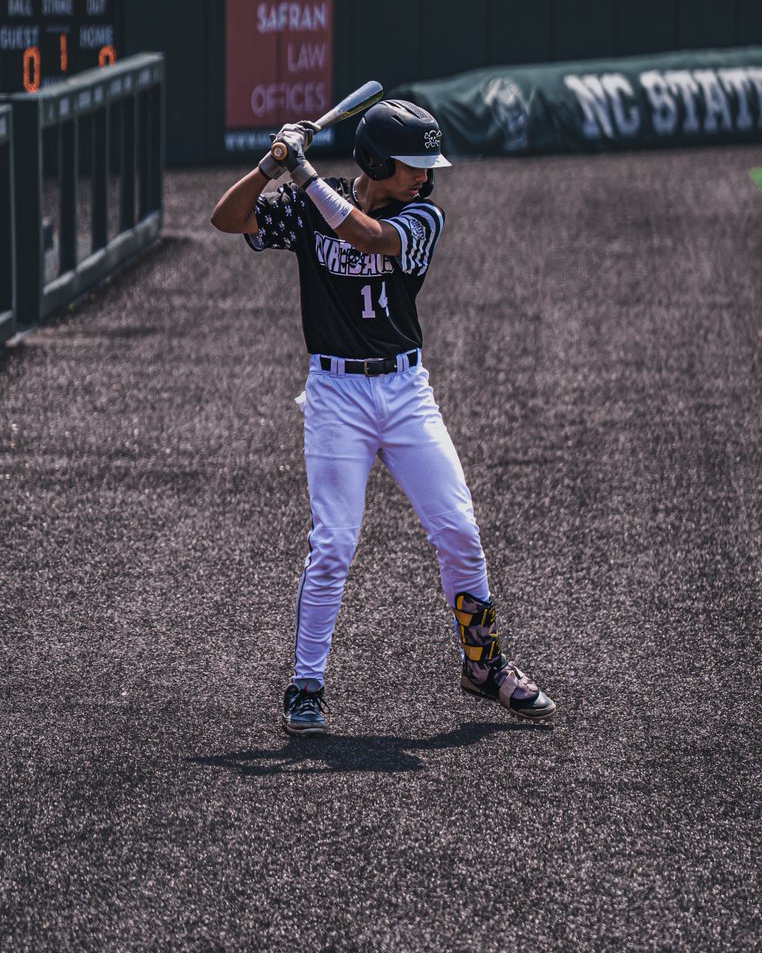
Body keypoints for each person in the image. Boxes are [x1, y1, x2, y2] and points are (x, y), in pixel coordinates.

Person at [210, 98, 556, 735]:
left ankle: (483, 666)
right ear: (374, 159)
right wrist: (271, 165)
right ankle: (305, 685)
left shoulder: (422, 215)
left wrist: (305, 172)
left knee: (458, 527)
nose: (425, 174)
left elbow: (365, 236)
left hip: (404, 392)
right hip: (336, 397)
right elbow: (225, 218)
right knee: (334, 543)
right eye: (412, 164)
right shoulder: (312, 203)